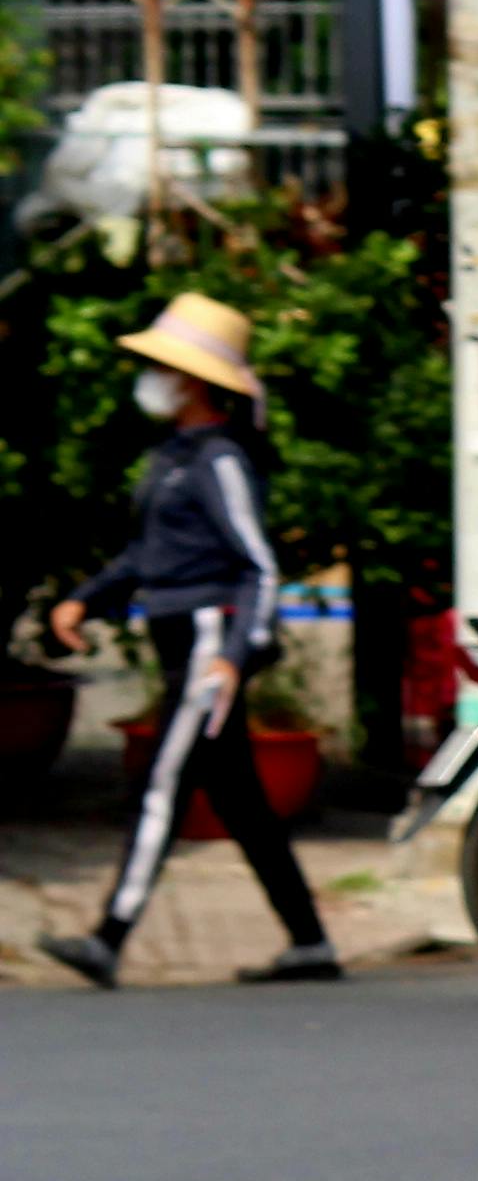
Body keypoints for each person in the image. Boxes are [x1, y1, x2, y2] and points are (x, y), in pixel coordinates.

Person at [35, 293, 329, 988]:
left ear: (193, 380)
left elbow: (259, 564)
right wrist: (84, 598)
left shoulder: (220, 458)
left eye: (161, 366)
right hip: (182, 640)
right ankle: (311, 943)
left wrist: (234, 656)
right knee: (241, 804)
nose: (150, 378)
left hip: (206, 643)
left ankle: (108, 938)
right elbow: (147, 555)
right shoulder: (171, 456)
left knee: (159, 787)